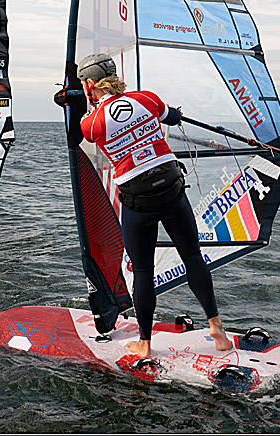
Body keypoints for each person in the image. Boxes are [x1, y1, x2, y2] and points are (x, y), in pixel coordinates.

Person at [75, 52, 231, 359]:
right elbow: (171, 116)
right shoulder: (148, 99)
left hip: (138, 199)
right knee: (192, 257)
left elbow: (85, 124)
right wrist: (173, 114)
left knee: (143, 270)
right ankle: (217, 329)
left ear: (90, 84)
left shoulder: (91, 124)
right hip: (172, 188)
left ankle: (145, 344)